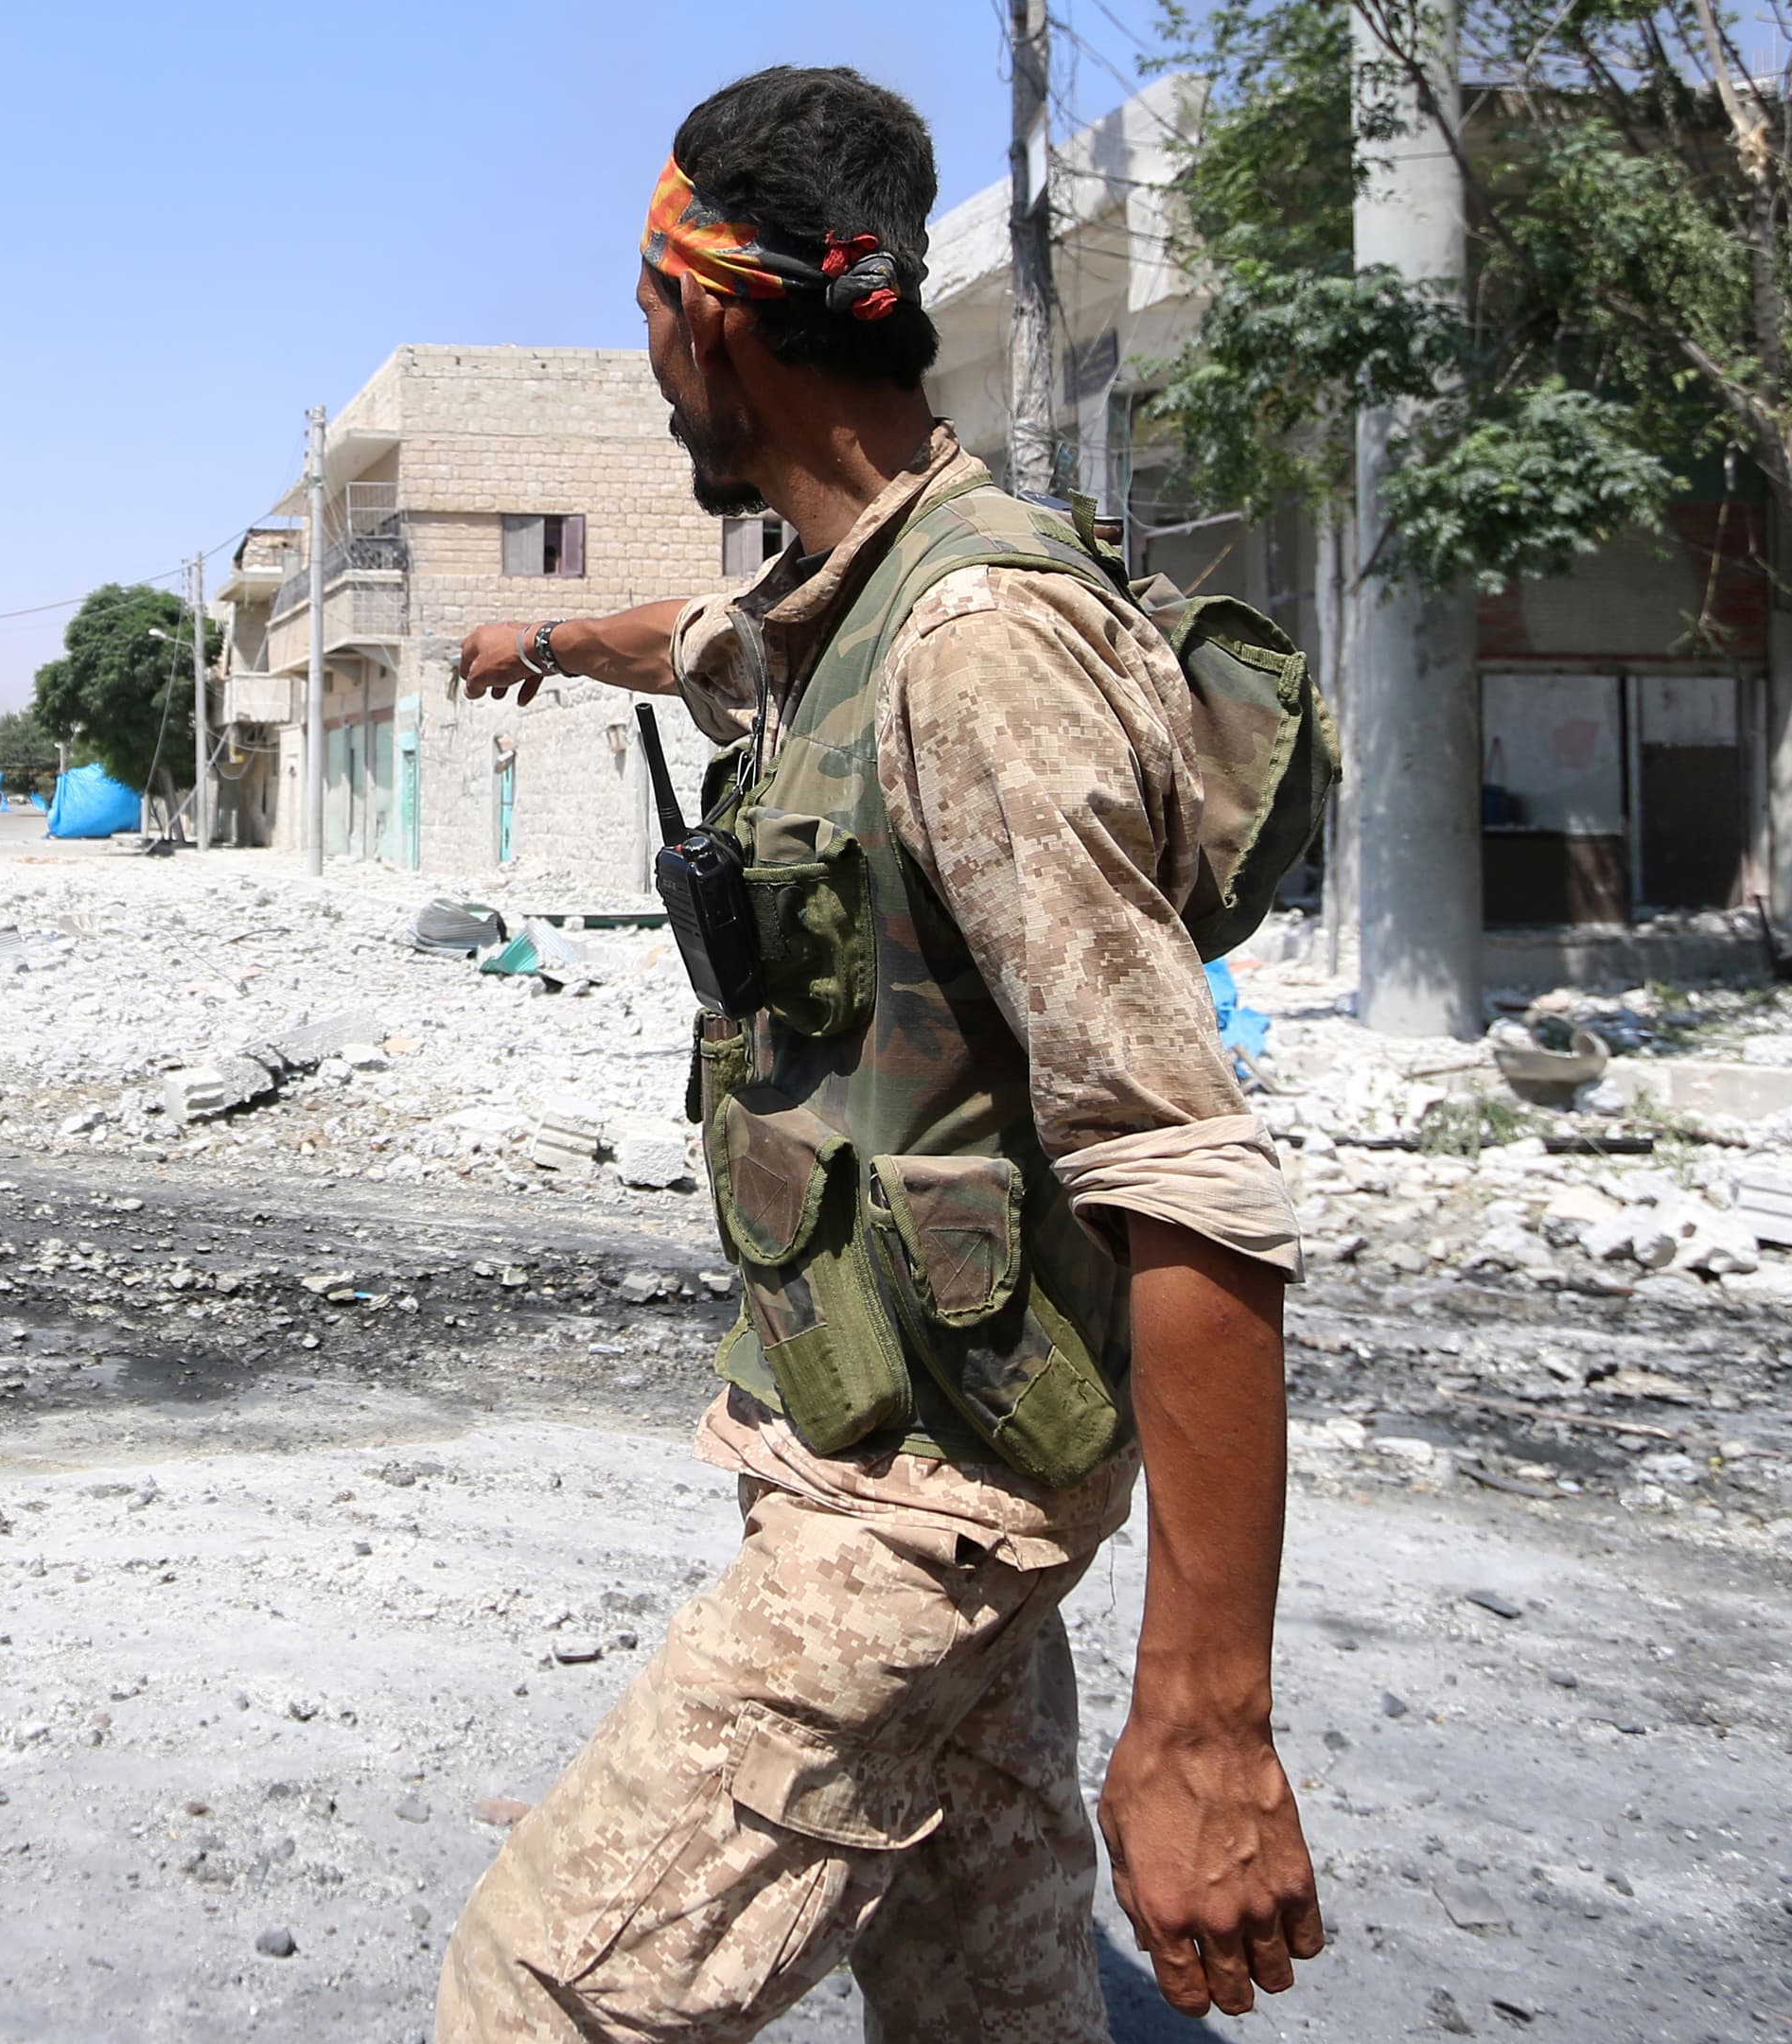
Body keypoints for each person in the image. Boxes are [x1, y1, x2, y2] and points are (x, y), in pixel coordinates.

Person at [433, 64, 1324, 2042]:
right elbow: (713, 643)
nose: (648, 362)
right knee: (985, 1997)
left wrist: (1209, 1727)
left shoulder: (973, 646)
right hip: (899, 1422)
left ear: (708, 317)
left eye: (644, 312)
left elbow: (1186, 1174)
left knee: (536, 1995)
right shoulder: (850, 595)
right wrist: (550, 646)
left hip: (926, 1503)